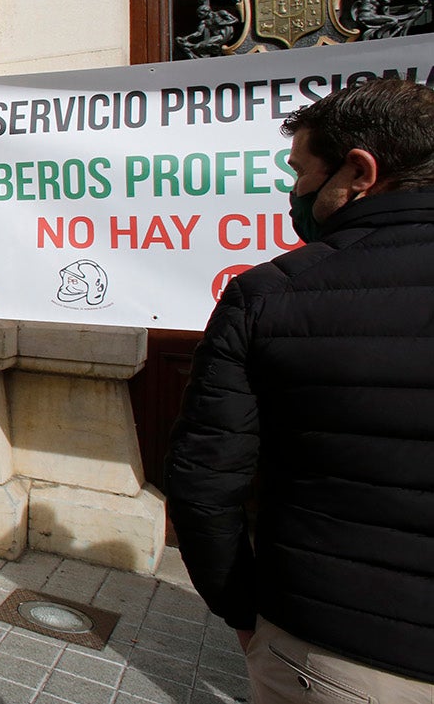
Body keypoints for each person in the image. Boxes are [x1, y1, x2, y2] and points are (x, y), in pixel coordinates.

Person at [166, 78, 434, 701]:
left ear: (359, 172)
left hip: (333, 650)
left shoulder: (271, 294)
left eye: (301, 169)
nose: (295, 189)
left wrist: (243, 613)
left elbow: (204, 484)